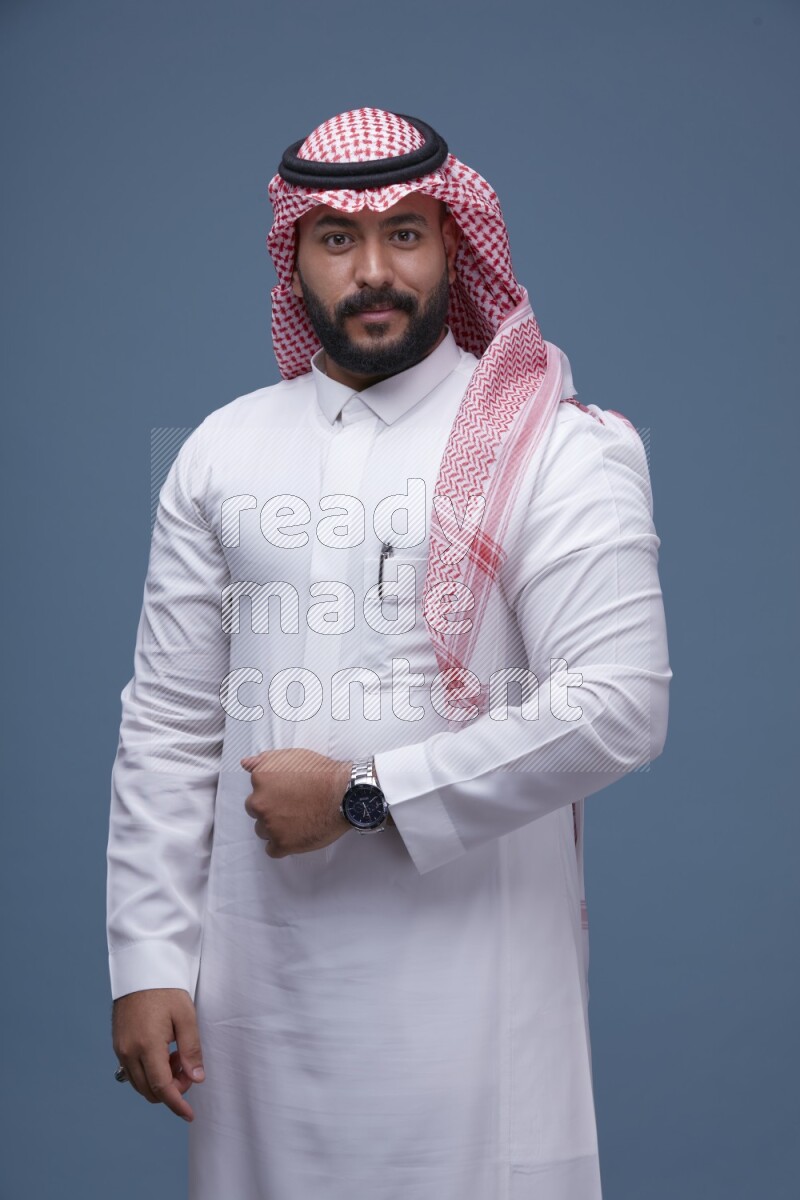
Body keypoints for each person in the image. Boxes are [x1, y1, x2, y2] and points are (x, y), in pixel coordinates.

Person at [107, 108, 671, 1200]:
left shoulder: (554, 443)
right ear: (294, 259)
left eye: (405, 235)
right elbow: (170, 720)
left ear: (454, 244)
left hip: (473, 995)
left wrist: (366, 797)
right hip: (256, 994)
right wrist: (146, 962)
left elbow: (616, 706)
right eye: (336, 241)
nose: (372, 270)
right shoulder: (222, 449)